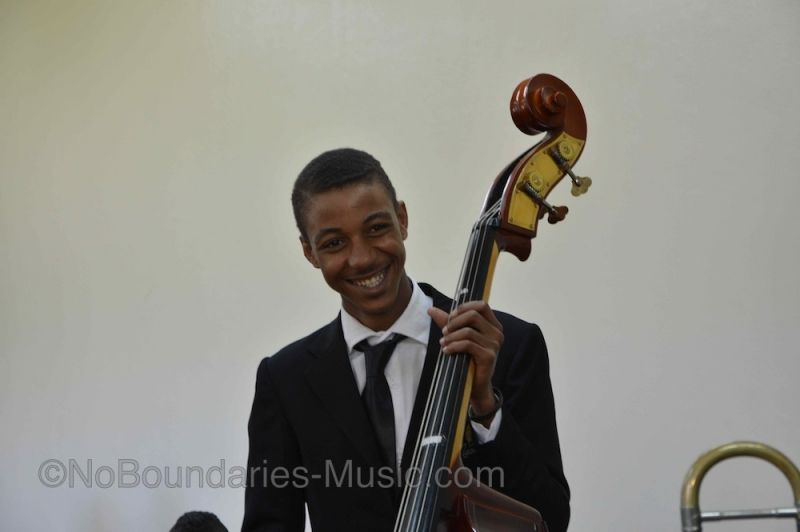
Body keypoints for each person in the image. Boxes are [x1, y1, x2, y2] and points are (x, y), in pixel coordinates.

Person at [242, 148, 569, 532]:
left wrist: (484, 407)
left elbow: (550, 519)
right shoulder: (285, 379)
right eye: (334, 243)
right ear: (309, 252)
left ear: (402, 219)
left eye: (376, 228)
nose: (362, 258)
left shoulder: (508, 345)